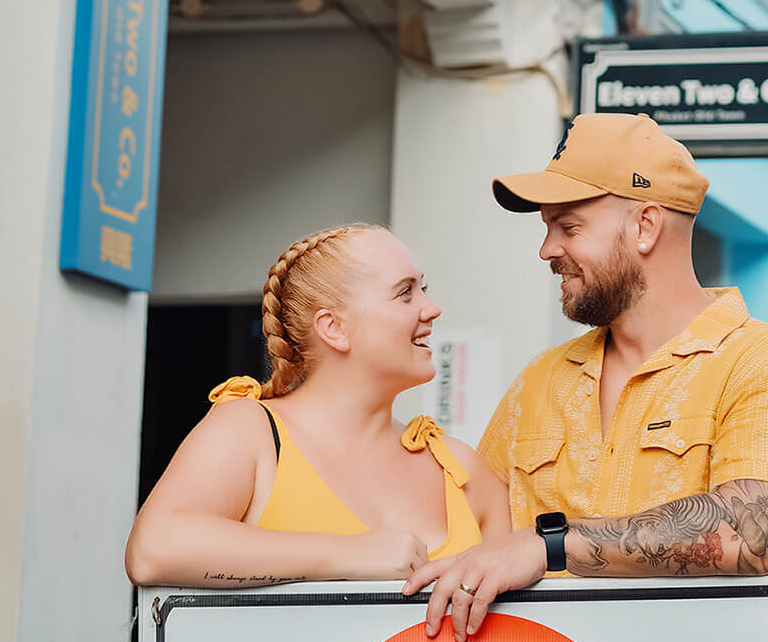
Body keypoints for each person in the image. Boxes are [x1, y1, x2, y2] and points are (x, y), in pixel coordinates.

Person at [404, 112, 768, 642]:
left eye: (569, 227)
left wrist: (549, 547)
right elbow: (464, 535)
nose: (547, 250)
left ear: (645, 226)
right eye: (546, 228)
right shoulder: (539, 381)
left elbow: (753, 533)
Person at [125, 222, 509, 588]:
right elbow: (153, 550)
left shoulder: (461, 469)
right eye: (405, 292)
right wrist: (347, 554)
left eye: (422, 288)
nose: (431, 309)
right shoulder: (251, 431)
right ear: (334, 328)